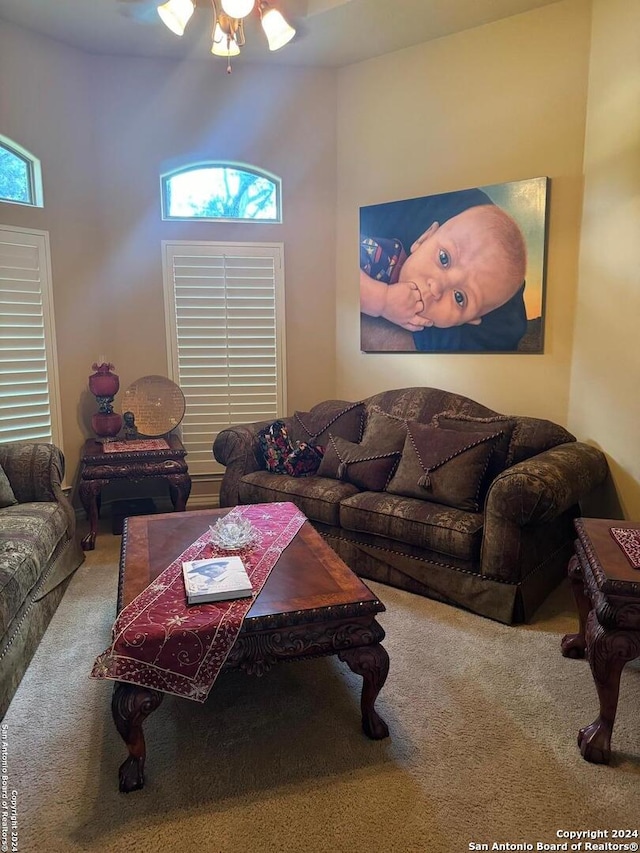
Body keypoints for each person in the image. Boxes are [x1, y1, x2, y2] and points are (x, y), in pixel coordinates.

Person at [360, 187, 529, 352]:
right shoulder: (381, 255)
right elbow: (337, 270)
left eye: (459, 298)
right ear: (424, 239)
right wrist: (381, 300)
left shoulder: (493, 333)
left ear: (469, 320)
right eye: (444, 258)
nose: (437, 287)